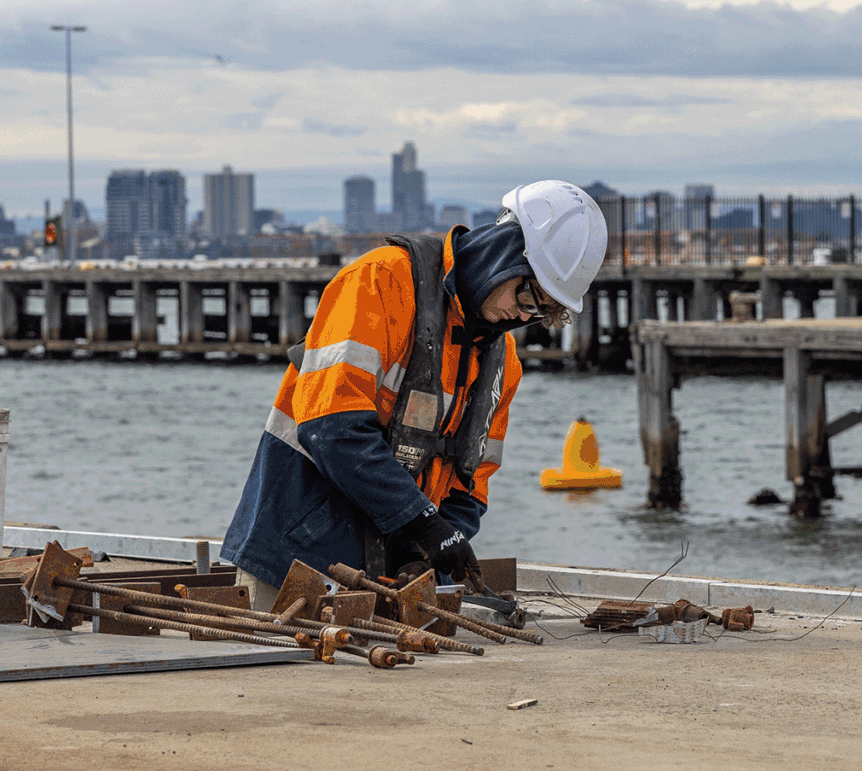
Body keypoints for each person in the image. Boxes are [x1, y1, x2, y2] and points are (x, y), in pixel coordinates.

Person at [221, 180, 608, 607]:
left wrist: (432, 548)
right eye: (528, 296)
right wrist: (423, 525)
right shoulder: (380, 281)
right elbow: (331, 426)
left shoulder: (502, 362)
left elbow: (472, 479)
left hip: (387, 579)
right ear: (505, 252)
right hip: (294, 560)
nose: (522, 314)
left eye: (539, 312)